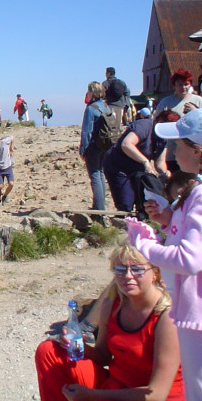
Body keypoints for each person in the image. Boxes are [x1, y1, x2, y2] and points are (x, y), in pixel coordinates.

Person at [35, 243, 185, 401]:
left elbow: (156, 394)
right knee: (49, 351)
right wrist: (78, 346)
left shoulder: (167, 317)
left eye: (137, 269)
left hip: (153, 396)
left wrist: (94, 396)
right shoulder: (112, 304)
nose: (127, 276)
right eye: (120, 270)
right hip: (117, 386)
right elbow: (104, 356)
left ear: (155, 273)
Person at [129, 107, 202, 400]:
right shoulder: (195, 192)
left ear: (198, 151)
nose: (171, 149)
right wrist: (169, 221)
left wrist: (144, 246)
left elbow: (190, 260)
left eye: (178, 143)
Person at [102, 109, 175, 212]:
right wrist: (145, 161)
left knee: (143, 203)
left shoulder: (164, 137)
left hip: (138, 170)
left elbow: (160, 162)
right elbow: (126, 144)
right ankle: (123, 223)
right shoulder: (144, 126)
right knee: (126, 203)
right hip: (118, 165)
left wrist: (165, 172)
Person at [154, 69, 202, 173]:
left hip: (192, 152)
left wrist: (195, 111)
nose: (183, 87)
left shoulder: (198, 100)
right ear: (174, 86)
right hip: (171, 151)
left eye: (186, 84)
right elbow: (156, 121)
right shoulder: (166, 102)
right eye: (180, 84)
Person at [80, 81, 109, 211]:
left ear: (92, 92)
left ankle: (99, 209)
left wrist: (82, 150)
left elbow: (87, 131)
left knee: (95, 176)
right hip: (105, 145)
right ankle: (100, 206)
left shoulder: (91, 108)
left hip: (93, 146)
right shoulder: (106, 107)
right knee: (100, 174)